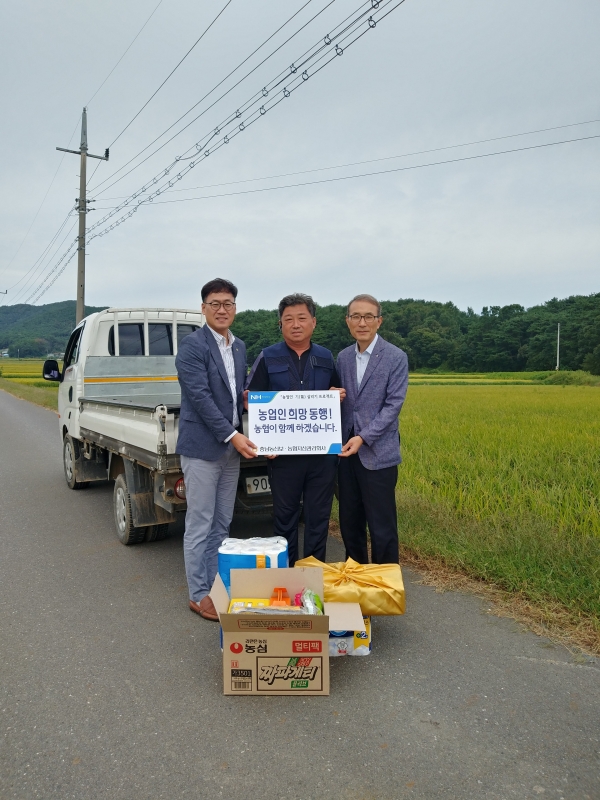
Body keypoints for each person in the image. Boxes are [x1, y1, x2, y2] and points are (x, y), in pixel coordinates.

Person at [176, 278, 258, 621]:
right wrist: (234, 435)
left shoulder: (237, 347)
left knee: (222, 522)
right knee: (200, 522)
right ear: (203, 308)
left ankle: (214, 584)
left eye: (228, 304)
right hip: (203, 448)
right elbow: (201, 398)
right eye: (215, 303)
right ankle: (198, 593)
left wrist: (251, 402)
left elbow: (233, 393)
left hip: (229, 451)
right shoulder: (192, 346)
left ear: (235, 309)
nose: (222, 309)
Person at [246, 293, 344, 565]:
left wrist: (336, 393)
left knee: (318, 518)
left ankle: (313, 577)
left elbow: (335, 393)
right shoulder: (267, 357)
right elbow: (252, 401)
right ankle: (286, 576)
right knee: (284, 519)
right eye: (288, 319)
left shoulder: (326, 357)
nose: (296, 324)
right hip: (283, 460)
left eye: (302, 318)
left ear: (313, 322)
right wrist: (265, 443)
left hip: (322, 458)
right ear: (280, 325)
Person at [336, 294, 409, 564]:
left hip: (378, 453)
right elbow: (342, 400)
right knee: (350, 523)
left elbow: (393, 406)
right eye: (356, 316)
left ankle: (384, 585)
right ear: (348, 321)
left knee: (382, 526)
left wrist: (363, 438)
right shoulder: (343, 357)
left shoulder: (395, 357)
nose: (362, 322)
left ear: (379, 321)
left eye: (368, 316)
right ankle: (356, 579)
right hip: (346, 454)